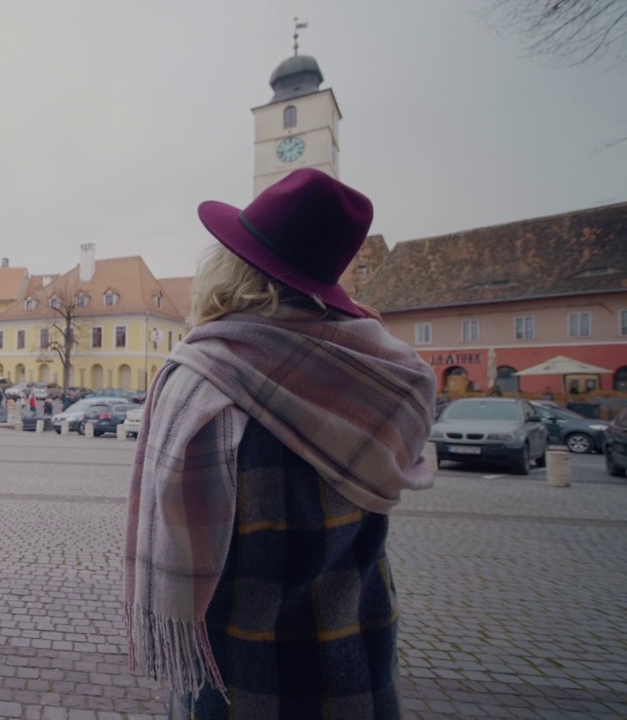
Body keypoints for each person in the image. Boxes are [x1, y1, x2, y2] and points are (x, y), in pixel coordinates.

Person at [125, 169, 435, 719]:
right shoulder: (377, 377)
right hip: (356, 663)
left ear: (232, 270)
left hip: (238, 679)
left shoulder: (205, 383)